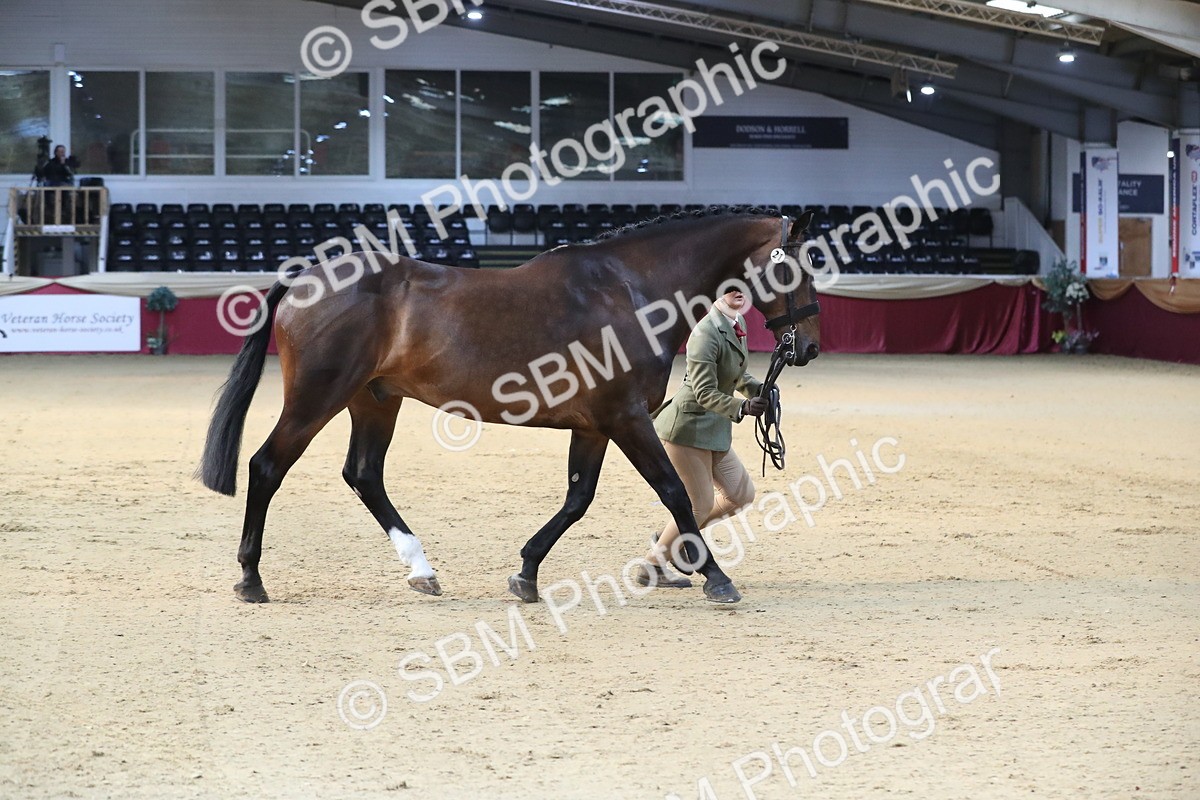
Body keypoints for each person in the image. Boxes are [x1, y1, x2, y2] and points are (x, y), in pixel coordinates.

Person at [634, 288, 768, 597]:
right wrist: (743, 408)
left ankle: (675, 538)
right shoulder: (705, 333)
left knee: (740, 493)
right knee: (699, 505)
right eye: (730, 288)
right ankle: (652, 565)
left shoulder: (737, 325)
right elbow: (705, 391)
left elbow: (738, 374)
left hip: (715, 429)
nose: (739, 293)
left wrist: (760, 391)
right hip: (688, 428)